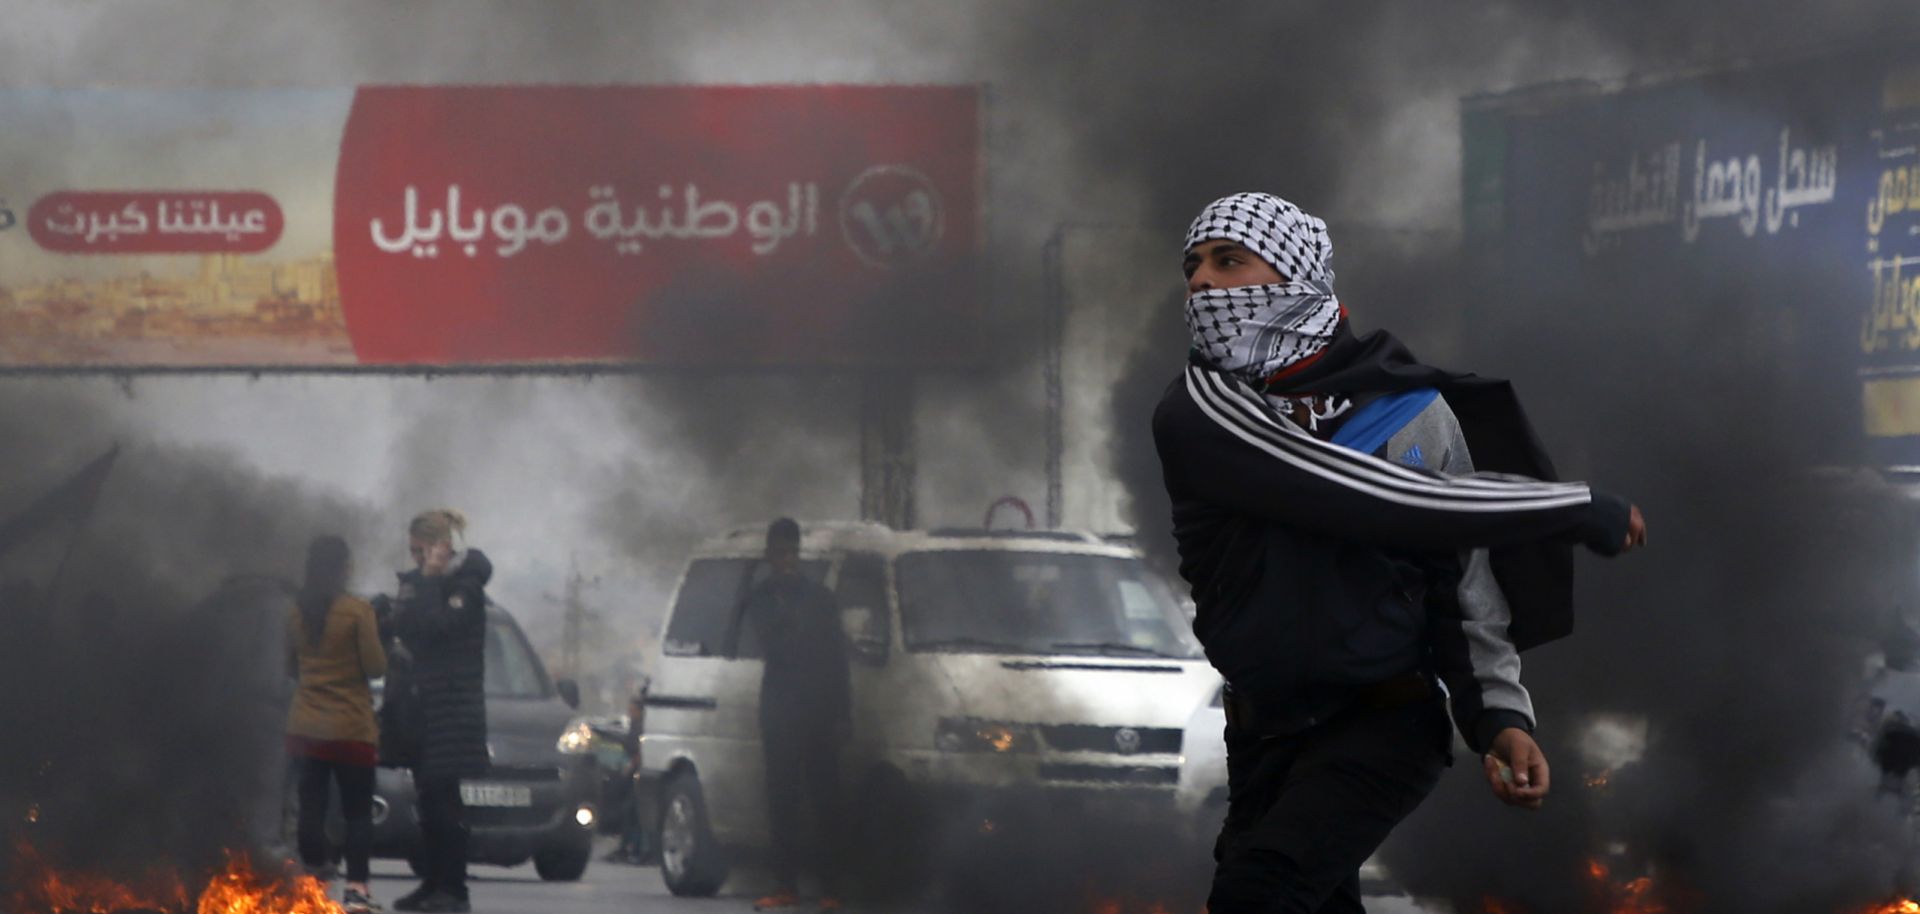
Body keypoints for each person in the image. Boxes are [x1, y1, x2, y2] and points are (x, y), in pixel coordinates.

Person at [1152, 192, 1648, 913]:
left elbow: (1462, 580)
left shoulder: (1408, 413)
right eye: (1192, 267)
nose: (1202, 283)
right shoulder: (1201, 409)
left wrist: (1500, 718)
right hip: (1264, 733)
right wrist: (1564, 504)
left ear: (1296, 273)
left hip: (1383, 726)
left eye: (1229, 262)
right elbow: (1373, 495)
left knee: (1259, 894)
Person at [742, 518, 852, 912]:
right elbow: (773, 643)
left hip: (819, 711)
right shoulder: (763, 597)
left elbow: (838, 658)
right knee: (782, 801)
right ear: (770, 555)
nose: (787, 558)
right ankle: (785, 885)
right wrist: (784, 600)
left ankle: (831, 889)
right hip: (781, 712)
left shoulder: (820, 598)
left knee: (827, 803)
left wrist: (843, 713)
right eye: (780, 552)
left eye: (792, 551)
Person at [389, 510, 492, 914]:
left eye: (421, 550)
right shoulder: (422, 584)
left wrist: (430, 580)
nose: (415, 558)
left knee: (446, 804)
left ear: (440, 547)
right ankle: (432, 883)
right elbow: (411, 629)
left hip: (453, 708)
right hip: (423, 706)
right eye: (412, 551)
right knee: (429, 801)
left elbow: (439, 628)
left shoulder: (466, 586)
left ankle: (453, 889)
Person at [285, 535, 387, 914]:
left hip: (307, 728)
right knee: (357, 813)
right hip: (351, 730)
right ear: (344, 567)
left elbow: (288, 666)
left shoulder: (296, 610)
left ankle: (312, 882)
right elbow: (376, 666)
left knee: (310, 806)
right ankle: (357, 890)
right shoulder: (357, 611)